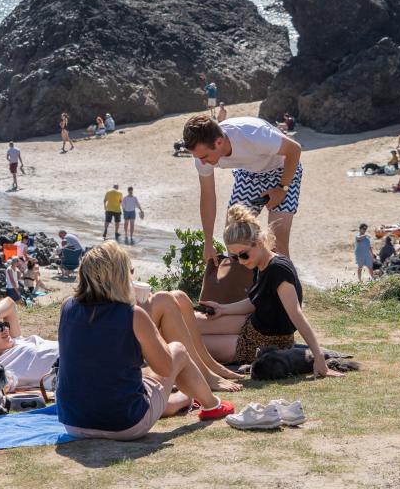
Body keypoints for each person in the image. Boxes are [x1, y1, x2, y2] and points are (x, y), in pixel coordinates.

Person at [56, 242, 233, 440]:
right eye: (130, 271)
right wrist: (144, 318)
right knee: (178, 350)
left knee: (136, 377)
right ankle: (212, 405)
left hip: (74, 423)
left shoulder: (67, 308)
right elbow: (165, 368)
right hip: (125, 424)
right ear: (120, 276)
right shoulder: (133, 315)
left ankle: (185, 399)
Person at [195, 206, 343, 377]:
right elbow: (255, 301)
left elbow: (297, 315)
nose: (240, 262)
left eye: (243, 255)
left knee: (191, 340)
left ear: (259, 243)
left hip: (265, 342)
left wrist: (319, 358)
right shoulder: (261, 263)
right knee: (189, 322)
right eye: (235, 257)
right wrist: (223, 309)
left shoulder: (277, 269)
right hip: (251, 325)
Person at [184, 115, 303, 260]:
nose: (202, 163)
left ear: (219, 142)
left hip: (283, 172)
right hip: (249, 175)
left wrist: (282, 188)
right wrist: (208, 243)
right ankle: (249, 281)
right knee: (234, 241)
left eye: (204, 156)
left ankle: (285, 281)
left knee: (278, 244)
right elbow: (208, 196)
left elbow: (294, 150)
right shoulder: (201, 158)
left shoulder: (254, 134)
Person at [0, 298, 59, 389]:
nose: (6, 329)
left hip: (72, 347)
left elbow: (10, 303)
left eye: (4, 325)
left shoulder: (15, 339)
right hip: (69, 367)